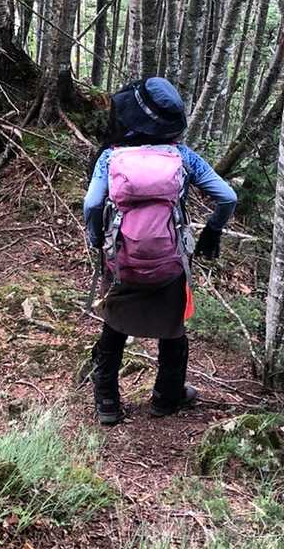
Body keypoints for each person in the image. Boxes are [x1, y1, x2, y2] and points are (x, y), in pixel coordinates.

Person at [82, 76, 237, 425]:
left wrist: (96, 238)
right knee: (173, 328)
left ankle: (107, 401)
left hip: (121, 261)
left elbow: (92, 204)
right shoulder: (182, 156)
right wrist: (212, 231)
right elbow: (228, 197)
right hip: (170, 262)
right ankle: (167, 398)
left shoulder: (110, 157)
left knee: (114, 324)